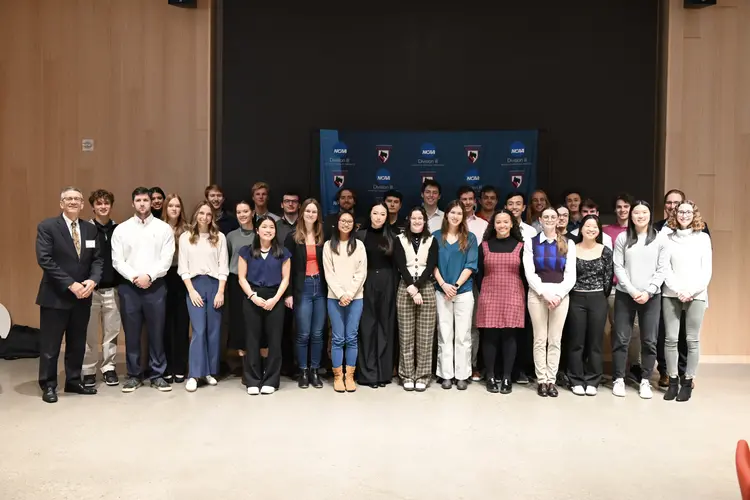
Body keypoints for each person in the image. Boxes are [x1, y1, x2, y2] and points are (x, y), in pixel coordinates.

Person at [35, 187, 103, 403]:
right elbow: (45, 259)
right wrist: (70, 284)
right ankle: (49, 385)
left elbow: (98, 260)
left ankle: (73, 381)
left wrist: (93, 280)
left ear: (83, 204)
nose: (73, 202)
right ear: (61, 203)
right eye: (68, 199)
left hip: (83, 297)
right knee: (51, 345)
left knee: (77, 343)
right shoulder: (47, 227)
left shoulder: (90, 230)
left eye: (77, 199)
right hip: (55, 296)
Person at [111, 187, 175, 393]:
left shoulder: (164, 228)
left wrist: (149, 276)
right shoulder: (121, 229)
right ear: (132, 203)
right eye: (138, 200)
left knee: (157, 332)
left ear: (151, 203)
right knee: (132, 334)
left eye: (145, 200)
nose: (142, 204)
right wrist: (135, 277)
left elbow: (167, 259)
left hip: (155, 286)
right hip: (129, 287)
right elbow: (117, 260)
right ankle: (134, 375)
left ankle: (157, 375)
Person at [612, 200, 669, 399]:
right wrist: (632, 290)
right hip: (625, 294)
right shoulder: (622, 237)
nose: (640, 216)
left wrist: (649, 291)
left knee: (649, 340)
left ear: (649, 215)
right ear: (631, 215)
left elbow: (663, 269)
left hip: (651, 296)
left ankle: (645, 379)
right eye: (637, 212)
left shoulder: (660, 239)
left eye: (644, 212)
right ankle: (618, 378)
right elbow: (618, 266)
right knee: (621, 338)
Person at [654, 188, 710, 387]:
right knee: (668, 337)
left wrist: (691, 291)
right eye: (678, 210)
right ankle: (669, 375)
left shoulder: (702, 235)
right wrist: (677, 289)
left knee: (690, 338)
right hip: (670, 292)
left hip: (695, 293)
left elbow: (706, 269)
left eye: (687, 211)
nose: (683, 214)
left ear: (693, 212)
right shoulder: (663, 233)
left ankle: (687, 376)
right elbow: (663, 265)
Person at [523, 207, 576, 398]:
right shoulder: (531, 242)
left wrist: (558, 295)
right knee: (540, 339)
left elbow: (571, 274)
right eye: (546, 217)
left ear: (558, 220)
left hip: (560, 296)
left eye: (554, 217)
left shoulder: (568, 243)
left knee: (555, 339)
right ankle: (542, 380)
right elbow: (529, 272)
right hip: (538, 294)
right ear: (540, 219)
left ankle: (552, 379)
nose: (550, 219)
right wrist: (544, 293)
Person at [237, 216, 291, 395]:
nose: (268, 230)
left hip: (275, 297)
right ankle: (252, 379)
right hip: (252, 296)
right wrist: (252, 296)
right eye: (264, 227)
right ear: (257, 230)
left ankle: (271, 379)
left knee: (275, 340)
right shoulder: (246, 251)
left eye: (271, 227)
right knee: (252, 338)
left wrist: (275, 299)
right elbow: (241, 278)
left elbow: (285, 279)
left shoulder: (283, 252)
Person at [178, 201, 229, 392]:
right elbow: (183, 267)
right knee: (199, 330)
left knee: (213, 331)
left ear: (212, 217)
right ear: (196, 215)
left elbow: (223, 265)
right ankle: (194, 374)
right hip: (195, 285)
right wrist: (191, 290)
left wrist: (221, 291)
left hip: (215, 284)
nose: (205, 217)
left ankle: (208, 371)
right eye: (201, 213)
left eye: (208, 214)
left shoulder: (219, 237)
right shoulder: (186, 237)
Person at [476, 209, 526, 394]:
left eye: (506, 222)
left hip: (513, 295)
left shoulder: (521, 246)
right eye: (498, 222)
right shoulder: (485, 246)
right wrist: (486, 291)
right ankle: (490, 376)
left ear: (512, 224)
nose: (502, 225)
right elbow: (479, 273)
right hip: (489, 295)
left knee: (509, 337)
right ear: (493, 225)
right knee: (490, 336)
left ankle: (506, 377)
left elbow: (525, 275)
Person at [433, 200, 479, 390]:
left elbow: (471, 265)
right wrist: (444, 285)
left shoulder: (470, 238)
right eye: (452, 212)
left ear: (464, 216)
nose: (455, 216)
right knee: (444, 333)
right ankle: (446, 374)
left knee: (463, 335)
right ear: (446, 215)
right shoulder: (436, 237)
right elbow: (431, 264)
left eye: (459, 213)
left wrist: (456, 285)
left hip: (463, 292)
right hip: (441, 291)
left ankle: (462, 374)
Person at [567, 215, 613, 396]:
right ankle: (576, 379)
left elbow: (608, 280)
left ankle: (593, 380)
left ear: (599, 230)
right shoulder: (572, 249)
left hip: (598, 299)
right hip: (576, 298)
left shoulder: (605, 251)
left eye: (595, 226)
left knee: (595, 342)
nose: (591, 229)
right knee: (576, 341)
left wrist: (599, 295)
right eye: (587, 225)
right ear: (581, 229)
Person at [394, 207, 438, 392]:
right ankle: (406, 375)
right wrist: (412, 288)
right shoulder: (400, 239)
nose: (417, 221)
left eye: (421, 218)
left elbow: (431, 265)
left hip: (426, 287)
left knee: (425, 336)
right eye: (414, 218)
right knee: (406, 334)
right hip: (405, 287)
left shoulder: (432, 240)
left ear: (425, 220)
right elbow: (400, 264)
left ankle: (422, 375)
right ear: (409, 220)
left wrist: (418, 286)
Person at [323, 211, 367, 393]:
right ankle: (338, 376)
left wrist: (349, 293)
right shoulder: (328, 246)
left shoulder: (359, 246)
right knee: (338, 338)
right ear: (337, 223)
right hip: (334, 298)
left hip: (355, 298)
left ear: (354, 225)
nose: (346, 224)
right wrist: (341, 294)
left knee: (351, 337)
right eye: (343, 221)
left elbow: (361, 272)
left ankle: (350, 376)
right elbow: (329, 273)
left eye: (350, 221)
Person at [284, 198, 326, 389]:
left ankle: (315, 371)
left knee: (317, 333)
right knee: (303, 333)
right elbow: (287, 268)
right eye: (308, 211)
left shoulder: (323, 236)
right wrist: (289, 293)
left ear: (318, 215)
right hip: (302, 288)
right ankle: (302, 371)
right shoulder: (293, 237)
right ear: (302, 214)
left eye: (314, 212)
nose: (311, 215)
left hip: (321, 287)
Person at [82, 189, 121, 387]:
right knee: (89, 332)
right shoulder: (85, 229)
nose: (103, 206)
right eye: (99, 203)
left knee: (111, 332)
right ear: (93, 207)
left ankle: (109, 368)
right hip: (91, 290)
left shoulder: (119, 229)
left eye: (106, 203)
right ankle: (88, 369)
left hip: (113, 289)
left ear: (111, 206)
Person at [356, 203, 397, 388]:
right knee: (367, 327)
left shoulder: (393, 237)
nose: (378, 217)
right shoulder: (360, 236)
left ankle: (383, 374)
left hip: (388, 282)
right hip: (366, 281)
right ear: (370, 214)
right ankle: (368, 374)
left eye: (382, 214)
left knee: (385, 327)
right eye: (375, 213)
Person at [603, 193, 642, 381]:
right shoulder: (607, 231)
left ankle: (635, 366)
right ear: (614, 209)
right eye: (619, 206)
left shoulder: (640, 231)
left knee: (635, 329)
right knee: (616, 328)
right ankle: (619, 369)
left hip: (635, 287)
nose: (623, 210)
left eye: (626, 206)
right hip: (613, 286)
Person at [456, 186, 487, 381]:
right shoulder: (451, 221)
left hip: (475, 280)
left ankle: (472, 365)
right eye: (463, 199)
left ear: (475, 201)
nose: (467, 202)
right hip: (450, 282)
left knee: (472, 326)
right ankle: (451, 367)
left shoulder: (483, 225)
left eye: (470, 199)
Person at [162, 193, 190, 383]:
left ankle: (180, 366)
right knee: (164, 325)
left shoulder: (188, 230)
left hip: (182, 278)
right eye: (171, 206)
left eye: (177, 206)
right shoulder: (157, 228)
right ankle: (167, 366)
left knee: (181, 325)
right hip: (162, 278)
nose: (174, 209)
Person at [226, 201, 255, 369]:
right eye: (239, 212)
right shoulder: (231, 236)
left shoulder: (260, 234)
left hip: (255, 282)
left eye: (245, 211)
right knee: (239, 322)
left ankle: (256, 361)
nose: (242, 215)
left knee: (254, 321)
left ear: (252, 212)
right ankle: (244, 364)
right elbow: (228, 259)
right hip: (236, 282)